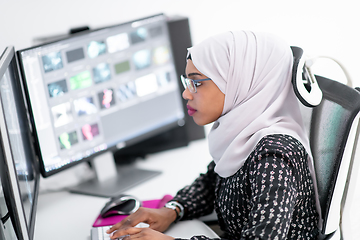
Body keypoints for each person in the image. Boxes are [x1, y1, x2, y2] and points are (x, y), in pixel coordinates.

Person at [107, 30, 320, 239]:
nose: (186, 93)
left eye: (197, 82)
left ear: (240, 81)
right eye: (187, 81)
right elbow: (211, 183)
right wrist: (172, 210)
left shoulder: (275, 156)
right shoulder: (243, 134)